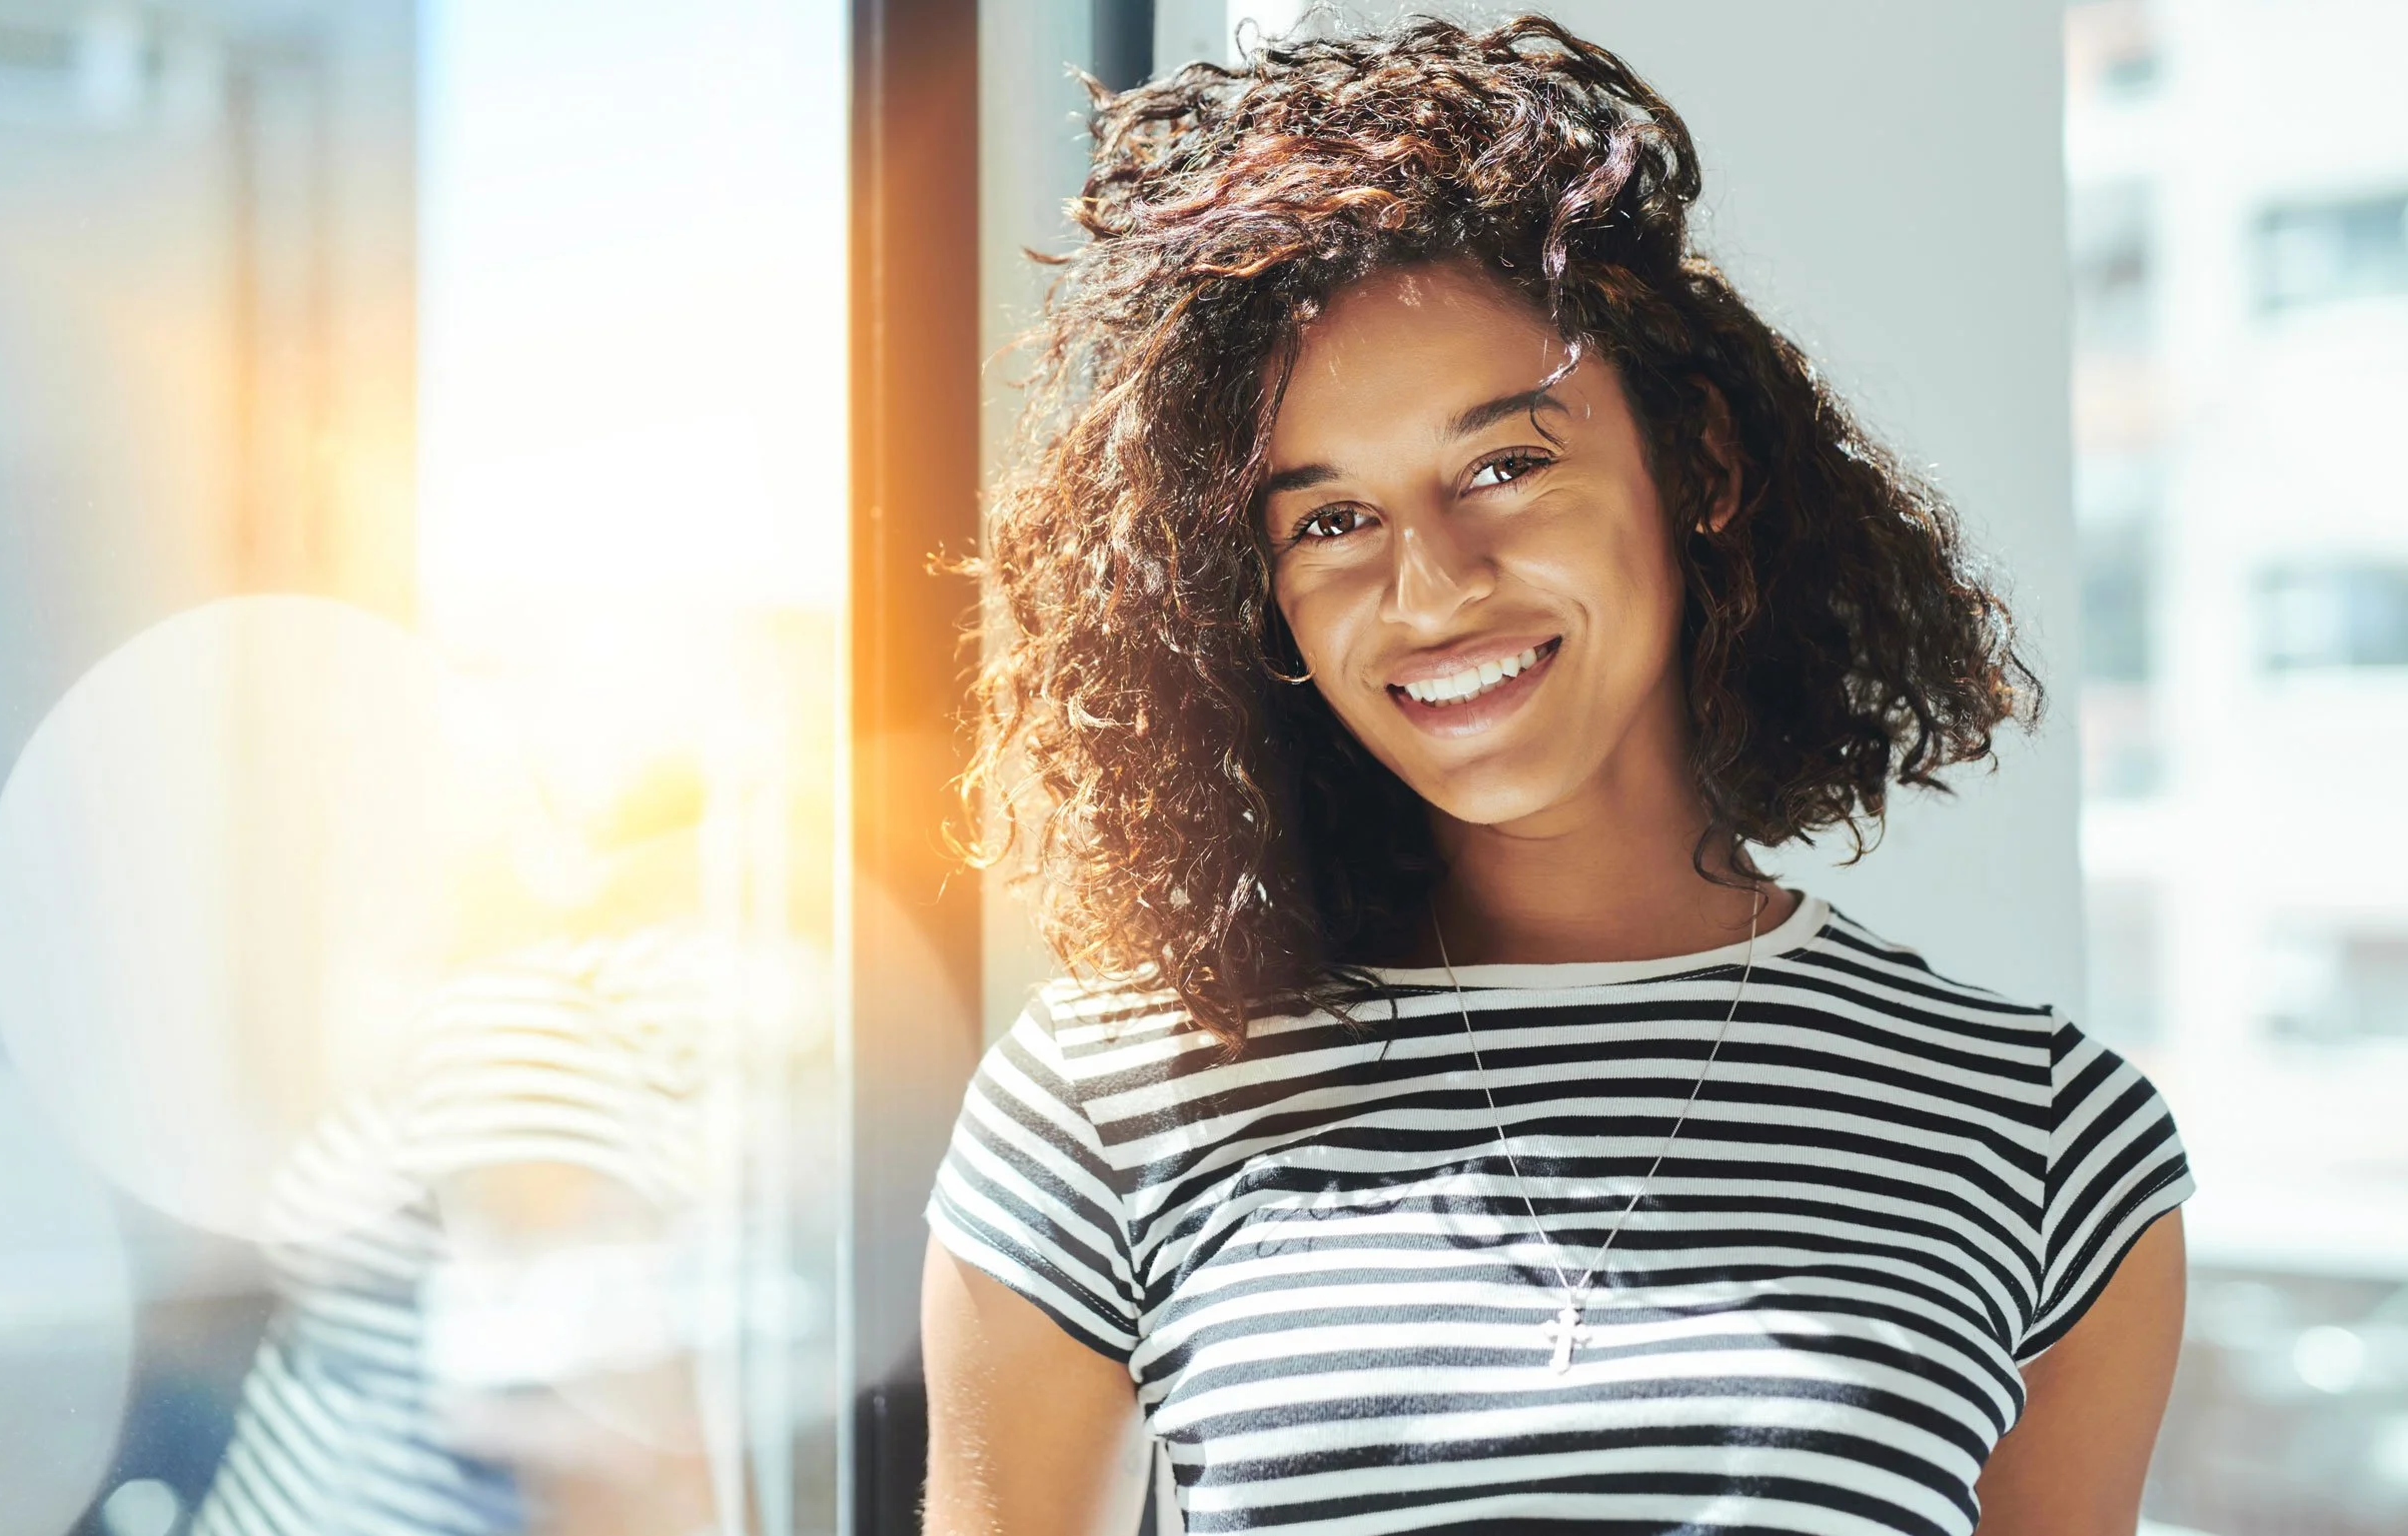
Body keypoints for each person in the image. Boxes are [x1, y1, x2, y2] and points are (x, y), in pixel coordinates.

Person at [921, 17, 2192, 1536]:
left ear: (1700, 467)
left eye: (1506, 466)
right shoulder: (1108, 1098)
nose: (1432, 586)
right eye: (1329, 522)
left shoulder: (2041, 1133)